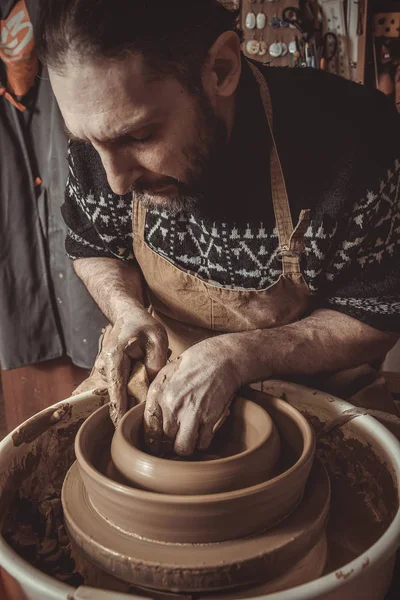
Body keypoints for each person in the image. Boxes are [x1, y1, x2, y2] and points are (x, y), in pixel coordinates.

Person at [35, 0, 400, 456]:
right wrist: (126, 309)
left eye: (140, 136)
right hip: (160, 372)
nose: (116, 181)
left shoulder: (356, 140)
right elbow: (93, 242)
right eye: (88, 141)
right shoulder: (103, 136)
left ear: (222, 70)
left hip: (317, 390)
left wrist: (238, 355)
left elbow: (379, 313)